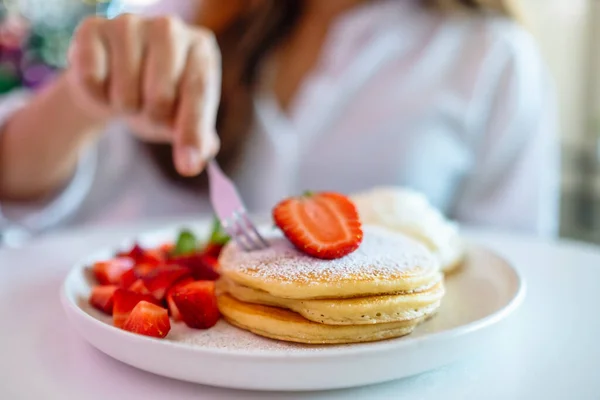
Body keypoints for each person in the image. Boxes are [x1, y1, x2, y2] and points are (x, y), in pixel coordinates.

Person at [0, 0, 559, 241]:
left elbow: (507, 275)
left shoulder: (492, 58)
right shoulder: (181, 19)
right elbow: (12, 184)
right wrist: (84, 100)